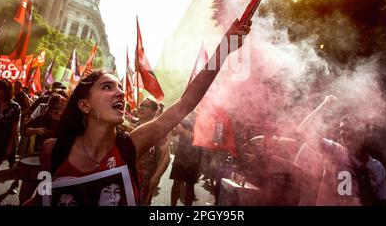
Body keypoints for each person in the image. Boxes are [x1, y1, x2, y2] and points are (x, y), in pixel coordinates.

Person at [35, 18, 251, 206]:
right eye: (107, 87)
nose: (119, 93)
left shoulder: (131, 145)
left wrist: (224, 48)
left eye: (120, 88)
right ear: (84, 105)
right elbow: (40, 199)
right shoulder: (53, 150)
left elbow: (186, 103)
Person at [297, 95, 386, 205]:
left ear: (362, 133)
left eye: (349, 129)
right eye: (341, 129)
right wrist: (324, 105)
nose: (343, 133)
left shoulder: (377, 167)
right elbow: (303, 130)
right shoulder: (334, 151)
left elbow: (382, 201)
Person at [170, 111, 202, 206]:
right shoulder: (185, 116)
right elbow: (174, 133)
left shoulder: (203, 119)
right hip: (181, 154)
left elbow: (198, 137)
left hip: (194, 156)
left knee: (190, 184)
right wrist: (175, 125)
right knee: (176, 182)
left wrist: (182, 130)